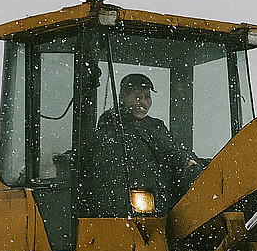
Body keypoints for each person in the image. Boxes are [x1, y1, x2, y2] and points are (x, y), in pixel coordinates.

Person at [80, 72, 204, 217]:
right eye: (138, 97)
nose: (143, 103)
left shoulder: (156, 126)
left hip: (162, 203)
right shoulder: (111, 125)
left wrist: (190, 163)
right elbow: (117, 166)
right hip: (126, 208)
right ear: (123, 98)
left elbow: (173, 150)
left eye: (147, 97)